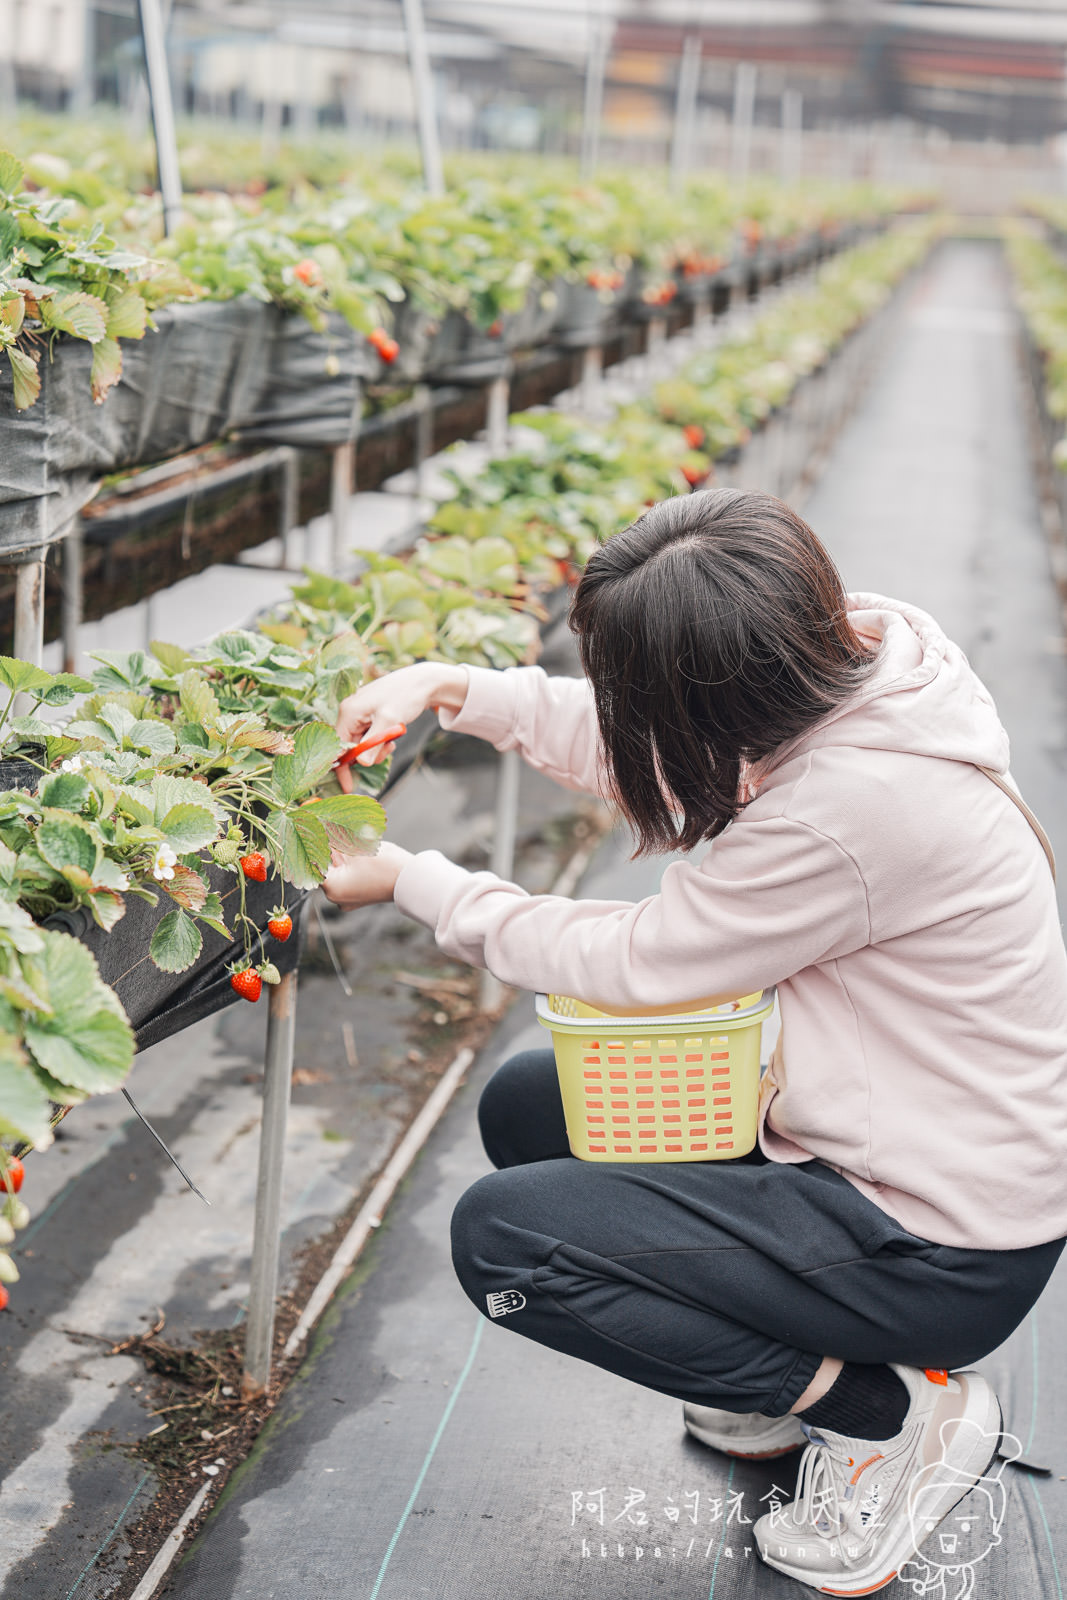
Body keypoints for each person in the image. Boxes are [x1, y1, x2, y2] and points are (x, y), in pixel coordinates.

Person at [322, 488, 1067, 1595]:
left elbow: (638, 962)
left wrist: (419, 881)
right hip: (888, 1153)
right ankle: (781, 1372)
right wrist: (454, 690)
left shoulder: (848, 808)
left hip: (933, 1241)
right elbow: (662, 738)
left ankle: (890, 1415)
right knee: (530, 1110)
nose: (621, 707)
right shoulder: (858, 655)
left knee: (506, 1244)